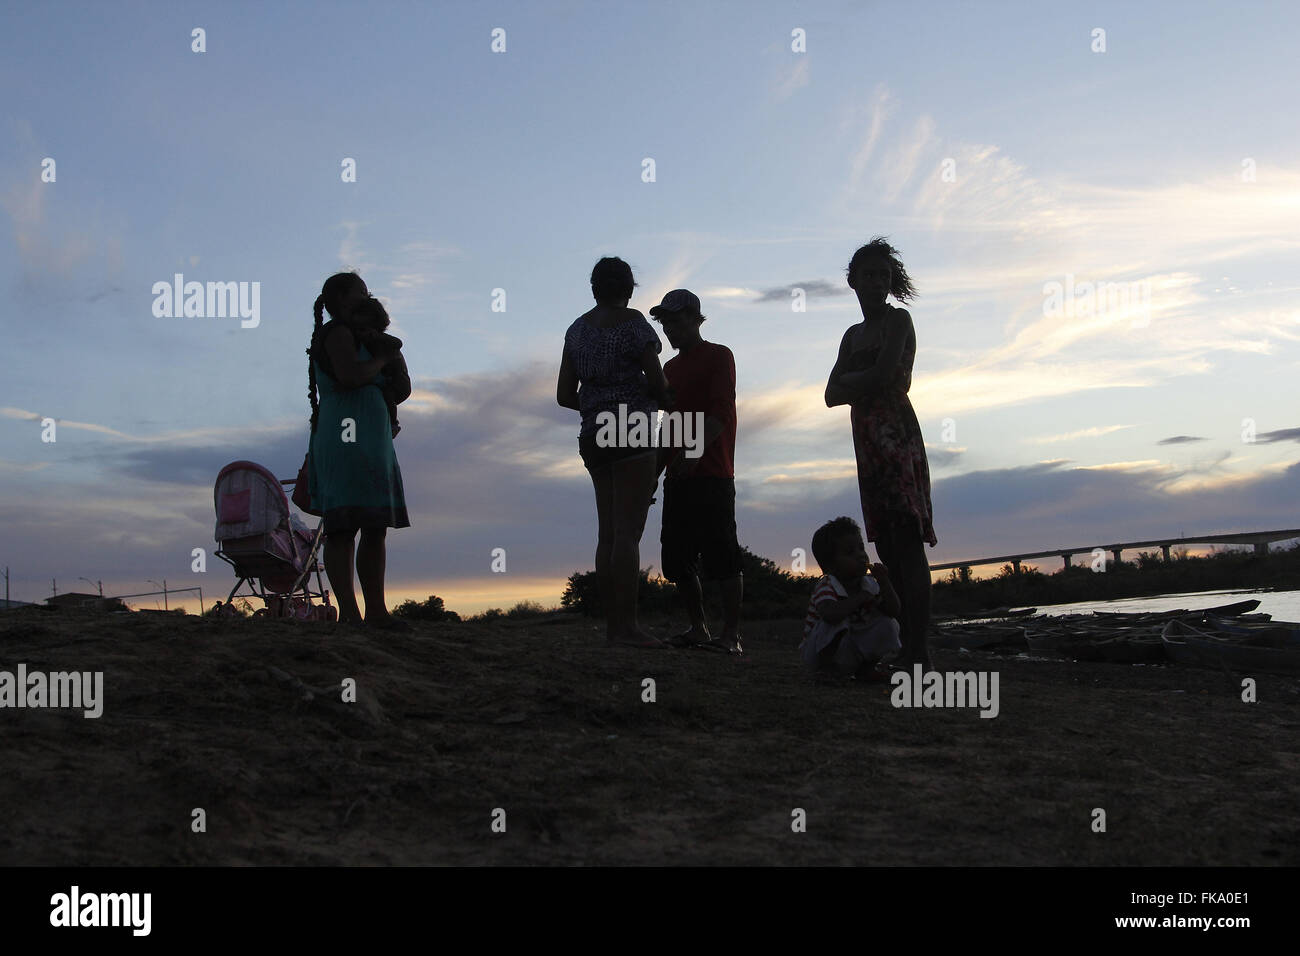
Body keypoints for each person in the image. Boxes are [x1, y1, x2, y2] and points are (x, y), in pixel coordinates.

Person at [824, 237, 937, 670]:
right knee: (888, 547)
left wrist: (857, 378)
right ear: (853, 281)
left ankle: (918, 652)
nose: (876, 283)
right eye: (868, 275)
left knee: (908, 543)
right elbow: (831, 395)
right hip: (867, 443)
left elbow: (889, 374)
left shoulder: (899, 320)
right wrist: (863, 378)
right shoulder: (852, 336)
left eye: (883, 276)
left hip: (896, 436)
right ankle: (905, 648)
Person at [557, 257, 673, 648]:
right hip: (632, 429)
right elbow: (657, 382)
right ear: (628, 289)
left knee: (607, 532)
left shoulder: (575, 332)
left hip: (593, 434)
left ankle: (613, 628)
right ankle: (629, 628)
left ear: (594, 289)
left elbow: (562, 395)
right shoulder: (634, 324)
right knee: (629, 533)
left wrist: (597, 405)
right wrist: (665, 401)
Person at [307, 271, 412, 631]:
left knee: (374, 524)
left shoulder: (375, 339)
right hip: (343, 437)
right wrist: (382, 360)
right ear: (340, 300)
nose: (367, 298)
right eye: (360, 293)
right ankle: (350, 614)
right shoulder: (335, 334)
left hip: (373, 438)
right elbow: (350, 376)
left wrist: (390, 359)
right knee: (342, 528)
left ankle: (377, 611)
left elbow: (401, 388)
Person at [648, 289, 744, 655]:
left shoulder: (720, 356)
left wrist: (692, 452)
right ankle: (698, 627)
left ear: (695, 319)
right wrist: (654, 474)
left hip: (715, 473)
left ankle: (731, 635)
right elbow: (667, 427)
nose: (671, 328)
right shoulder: (668, 370)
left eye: (677, 320)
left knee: (723, 555)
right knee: (675, 557)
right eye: (666, 322)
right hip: (677, 478)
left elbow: (721, 412)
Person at [801, 516, 901, 681]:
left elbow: (894, 610)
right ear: (830, 565)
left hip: (852, 649)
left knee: (887, 623)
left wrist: (885, 582)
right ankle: (826, 670)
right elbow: (830, 614)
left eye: (861, 548)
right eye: (850, 552)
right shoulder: (827, 585)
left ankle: (866, 668)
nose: (860, 556)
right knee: (836, 621)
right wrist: (861, 598)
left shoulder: (869, 584)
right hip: (819, 653)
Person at [349, 296, 409, 437]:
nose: (360, 333)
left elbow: (398, 343)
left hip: (398, 381)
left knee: (387, 395)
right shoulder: (362, 344)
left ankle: (393, 423)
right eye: (357, 329)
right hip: (385, 379)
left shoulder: (382, 340)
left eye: (364, 329)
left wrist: (378, 337)